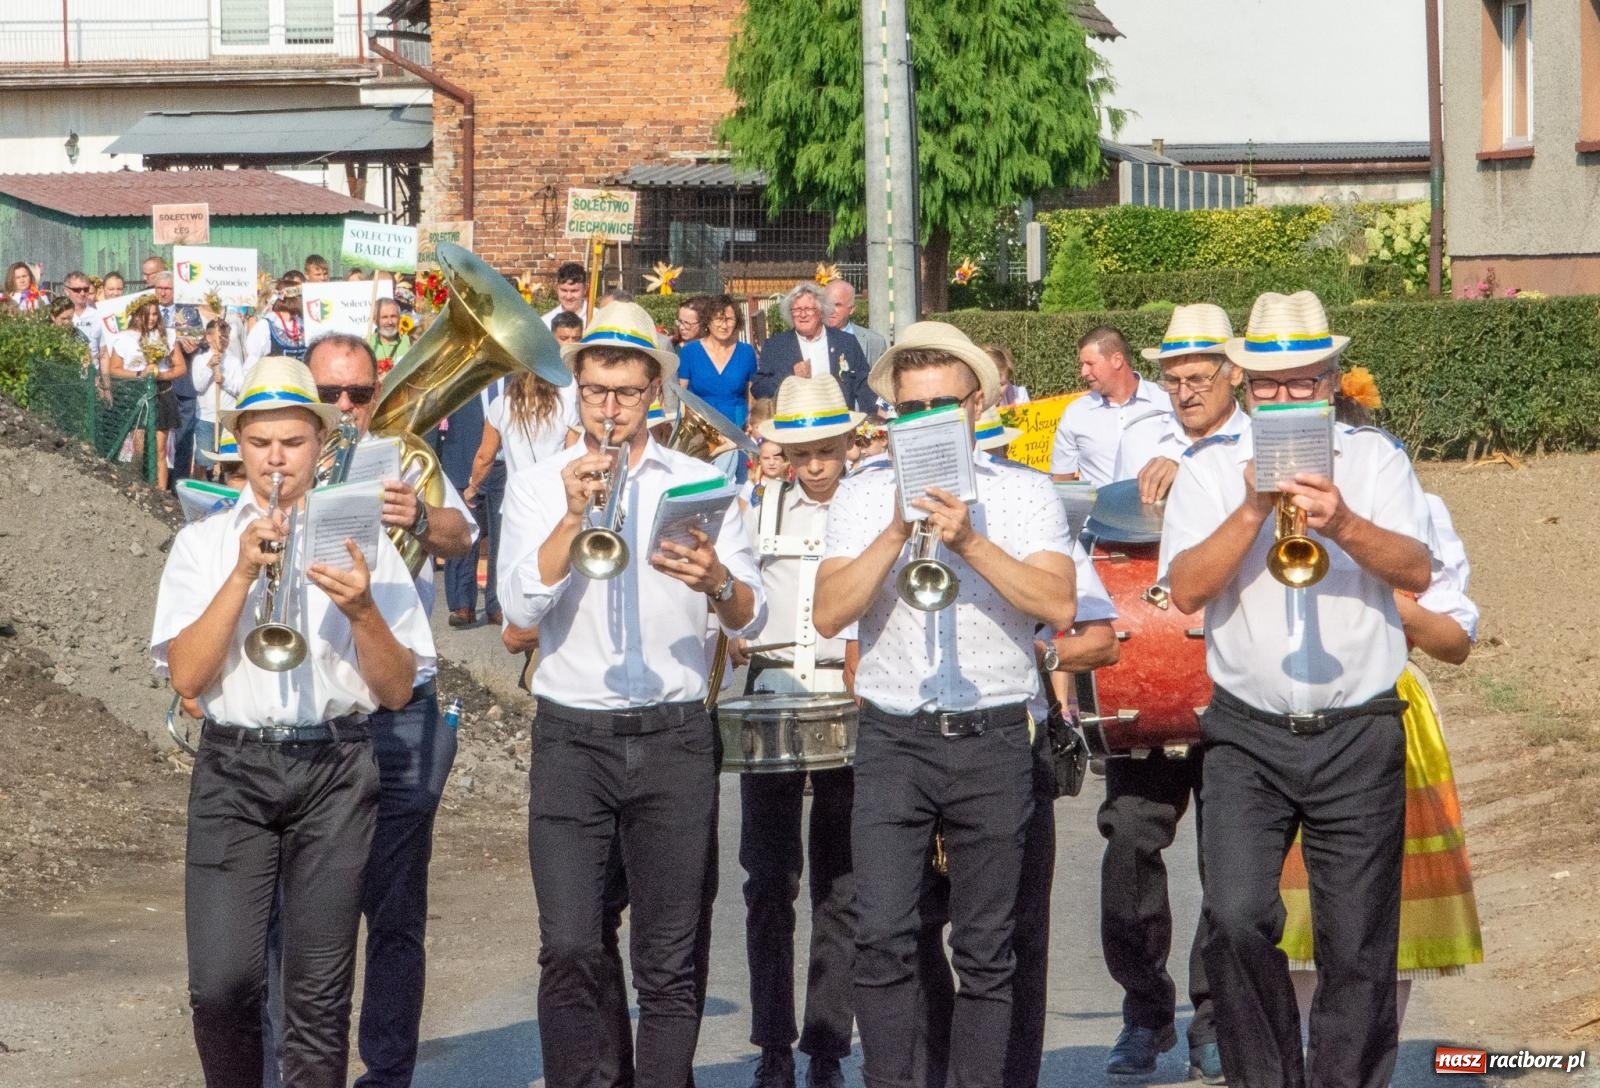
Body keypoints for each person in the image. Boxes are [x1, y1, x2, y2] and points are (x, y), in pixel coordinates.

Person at [1159, 291, 1436, 1088]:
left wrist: (1342, 522)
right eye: (1268, 385)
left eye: (1302, 382)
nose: (1284, 398)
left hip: (1358, 724)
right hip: (1248, 730)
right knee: (1238, 918)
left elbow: (1418, 571)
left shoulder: (1374, 460)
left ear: (1332, 381)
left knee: (1358, 943)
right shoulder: (1211, 471)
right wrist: (1254, 506)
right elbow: (1185, 589)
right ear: (1244, 389)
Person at [497, 299, 763, 1088]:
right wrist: (574, 519)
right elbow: (516, 613)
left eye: (627, 393)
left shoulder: (700, 480)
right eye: (596, 392)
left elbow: (755, 609)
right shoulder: (542, 484)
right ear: (578, 390)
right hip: (573, 734)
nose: (610, 410)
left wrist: (718, 581)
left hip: (675, 733)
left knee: (669, 954)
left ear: (655, 395)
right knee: (572, 942)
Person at [151, 355, 432, 1088]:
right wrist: (242, 576)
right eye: (261, 442)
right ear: (238, 444)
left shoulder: (361, 541)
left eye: (294, 442)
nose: (277, 459)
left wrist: (363, 609)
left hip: (335, 766)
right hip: (234, 766)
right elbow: (186, 675)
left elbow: (399, 690)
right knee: (221, 984)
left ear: (321, 445)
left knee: (317, 995)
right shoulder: (203, 543)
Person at [813, 320, 1078, 1088]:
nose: (924, 422)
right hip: (895, 736)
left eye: (940, 407)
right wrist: (898, 529)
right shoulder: (865, 498)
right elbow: (830, 614)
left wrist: (971, 544)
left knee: (988, 950)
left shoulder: (1021, 493)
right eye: (909, 409)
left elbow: (1057, 602)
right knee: (884, 936)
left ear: (975, 409)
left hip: (994, 733)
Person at [303, 333, 479, 1088]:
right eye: (331, 393)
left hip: (403, 706)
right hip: (314, 700)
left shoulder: (406, 456)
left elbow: (462, 535)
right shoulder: (281, 457)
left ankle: (387, 1074)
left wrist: (417, 519)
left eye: (359, 393)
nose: (346, 408)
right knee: (303, 906)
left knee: (397, 907)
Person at [1091, 304, 1246, 1082]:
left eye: (1198, 378)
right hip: (1148, 692)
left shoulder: (1261, 444)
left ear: (1234, 376)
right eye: (1174, 379)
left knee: (1231, 870)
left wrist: (1204, 482)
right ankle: (1144, 1010)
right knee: (1128, 850)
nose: (1184, 392)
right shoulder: (1143, 440)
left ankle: (1214, 1015)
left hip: (1240, 690)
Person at [731, 376, 862, 1088]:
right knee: (767, 881)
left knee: (840, 884)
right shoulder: (753, 506)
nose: (814, 465)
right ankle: (773, 1041)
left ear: (848, 444)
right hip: (773, 698)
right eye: (801, 451)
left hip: (845, 698)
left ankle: (826, 1045)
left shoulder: (871, 504)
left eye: (826, 450)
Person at [1049, 326, 1171, 486]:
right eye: (1082, 364)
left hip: (1157, 510)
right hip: (1098, 511)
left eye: (1090, 363)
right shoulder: (1076, 413)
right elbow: (1062, 480)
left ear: (1117, 360)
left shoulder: (1167, 401)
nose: (1083, 372)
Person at [107, 292, 188, 491]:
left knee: (160, 449)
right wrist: (138, 374)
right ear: (136, 315)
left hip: (161, 393)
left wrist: (159, 375)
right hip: (136, 393)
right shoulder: (123, 338)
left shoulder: (166, 336)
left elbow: (180, 368)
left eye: (155, 314)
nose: (152, 318)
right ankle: (137, 486)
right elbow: (114, 369)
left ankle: (160, 492)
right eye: (148, 314)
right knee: (139, 447)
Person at [752, 283, 872, 413]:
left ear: (821, 311)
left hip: (839, 425)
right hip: (795, 427)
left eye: (809, 309)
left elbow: (864, 384)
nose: (803, 315)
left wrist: (872, 420)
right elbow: (759, 389)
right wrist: (790, 378)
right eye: (797, 310)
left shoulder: (846, 342)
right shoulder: (775, 346)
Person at [678, 293, 759, 428]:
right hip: (700, 430)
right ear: (708, 321)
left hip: (737, 429)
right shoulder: (689, 352)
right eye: (718, 319)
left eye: (729, 319)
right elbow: (682, 396)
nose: (724, 325)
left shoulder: (746, 352)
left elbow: (752, 398)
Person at [155, 271, 205, 485]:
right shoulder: (148, 310)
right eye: (160, 288)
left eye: (168, 288)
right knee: (158, 438)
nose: (163, 292)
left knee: (183, 438)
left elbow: (201, 340)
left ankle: (179, 483)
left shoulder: (189, 312)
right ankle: (156, 481)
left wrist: (193, 346)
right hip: (159, 383)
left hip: (184, 385)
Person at [190, 318, 246, 479]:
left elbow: (240, 389)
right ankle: (198, 489)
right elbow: (198, 386)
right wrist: (209, 368)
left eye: (226, 337)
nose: (224, 341)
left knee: (228, 461)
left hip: (227, 417)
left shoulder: (234, 362)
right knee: (202, 459)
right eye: (220, 337)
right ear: (209, 338)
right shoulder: (200, 360)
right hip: (206, 418)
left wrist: (224, 381)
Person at [822, 279, 887, 368]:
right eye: (827, 304)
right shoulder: (808, 338)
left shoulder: (875, 342)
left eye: (837, 305)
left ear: (851, 309)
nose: (830, 310)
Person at [245, 279, 307, 365]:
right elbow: (253, 360)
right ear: (293, 300)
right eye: (300, 297)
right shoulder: (266, 325)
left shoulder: (302, 324)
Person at [61, 271, 103, 368]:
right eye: (77, 290)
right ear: (66, 291)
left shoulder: (98, 315)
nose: (82, 293)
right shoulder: (60, 316)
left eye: (86, 289)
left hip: (93, 375)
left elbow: (103, 351)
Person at [369, 297, 412, 373]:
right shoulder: (366, 345)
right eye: (384, 317)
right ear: (375, 320)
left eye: (393, 316)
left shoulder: (410, 342)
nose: (390, 322)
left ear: (399, 318)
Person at [542, 261, 589, 328]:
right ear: (556, 288)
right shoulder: (546, 323)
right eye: (564, 290)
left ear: (585, 289)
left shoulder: (597, 318)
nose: (568, 296)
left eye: (574, 291)